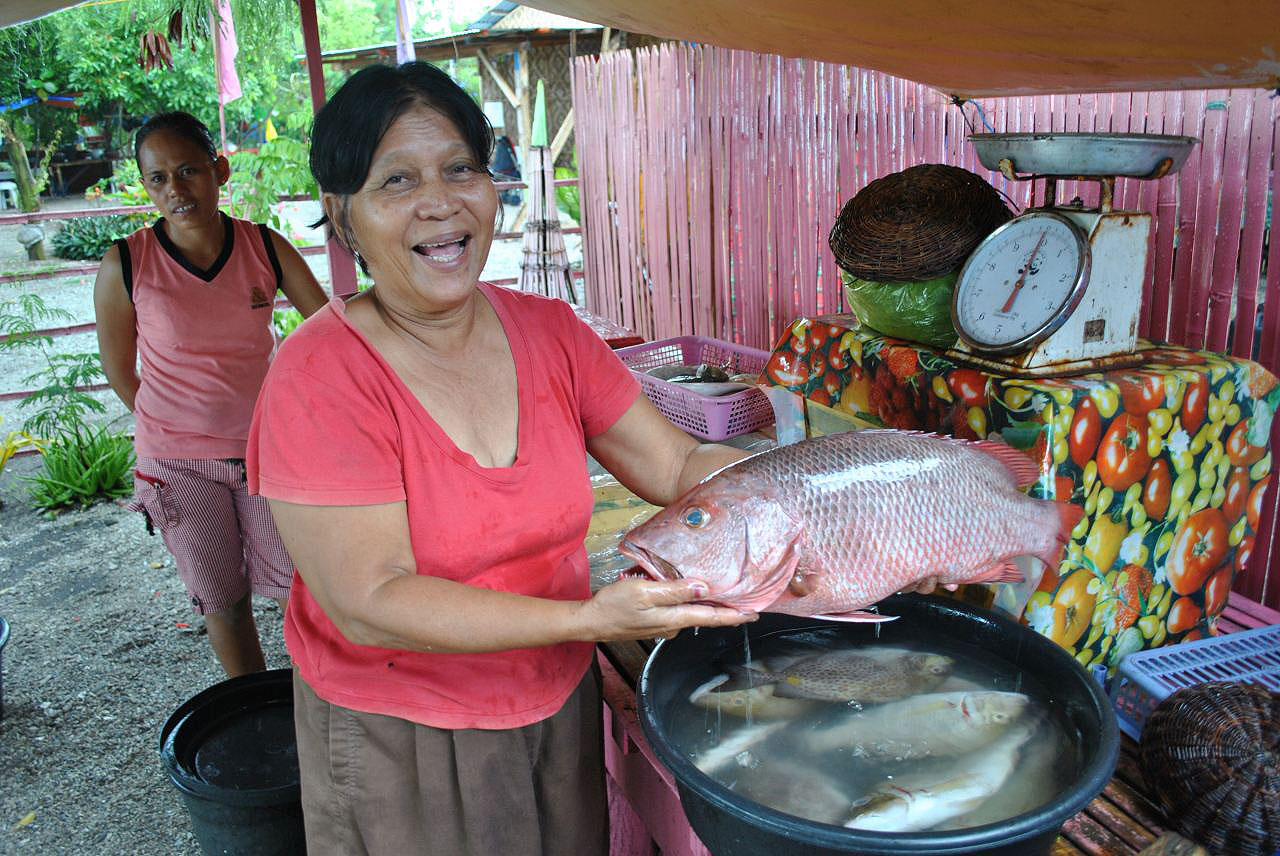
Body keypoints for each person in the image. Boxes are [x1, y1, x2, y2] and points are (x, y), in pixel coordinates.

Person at [244, 61, 757, 855]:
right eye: (397, 180)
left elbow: (677, 465)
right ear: (341, 214)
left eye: (461, 168)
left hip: (554, 701)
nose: (440, 202)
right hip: (404, 734)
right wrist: (587, 619)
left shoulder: (550, 333)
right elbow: (368, 598)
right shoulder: (320, 375)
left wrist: (816, 503)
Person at [93, 112, 327, 678]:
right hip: (179, 466)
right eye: (158, 178)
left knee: (303, 591)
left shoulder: (264, 247)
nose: (175, 189)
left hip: (268, 455)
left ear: (219, 170)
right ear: (145, 185)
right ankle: (254, 717)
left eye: (189, 170)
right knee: (223, 600)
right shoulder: (127, 263)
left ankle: (323, 707)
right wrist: (179, 428)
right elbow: (121, 370)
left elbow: (328, 331)